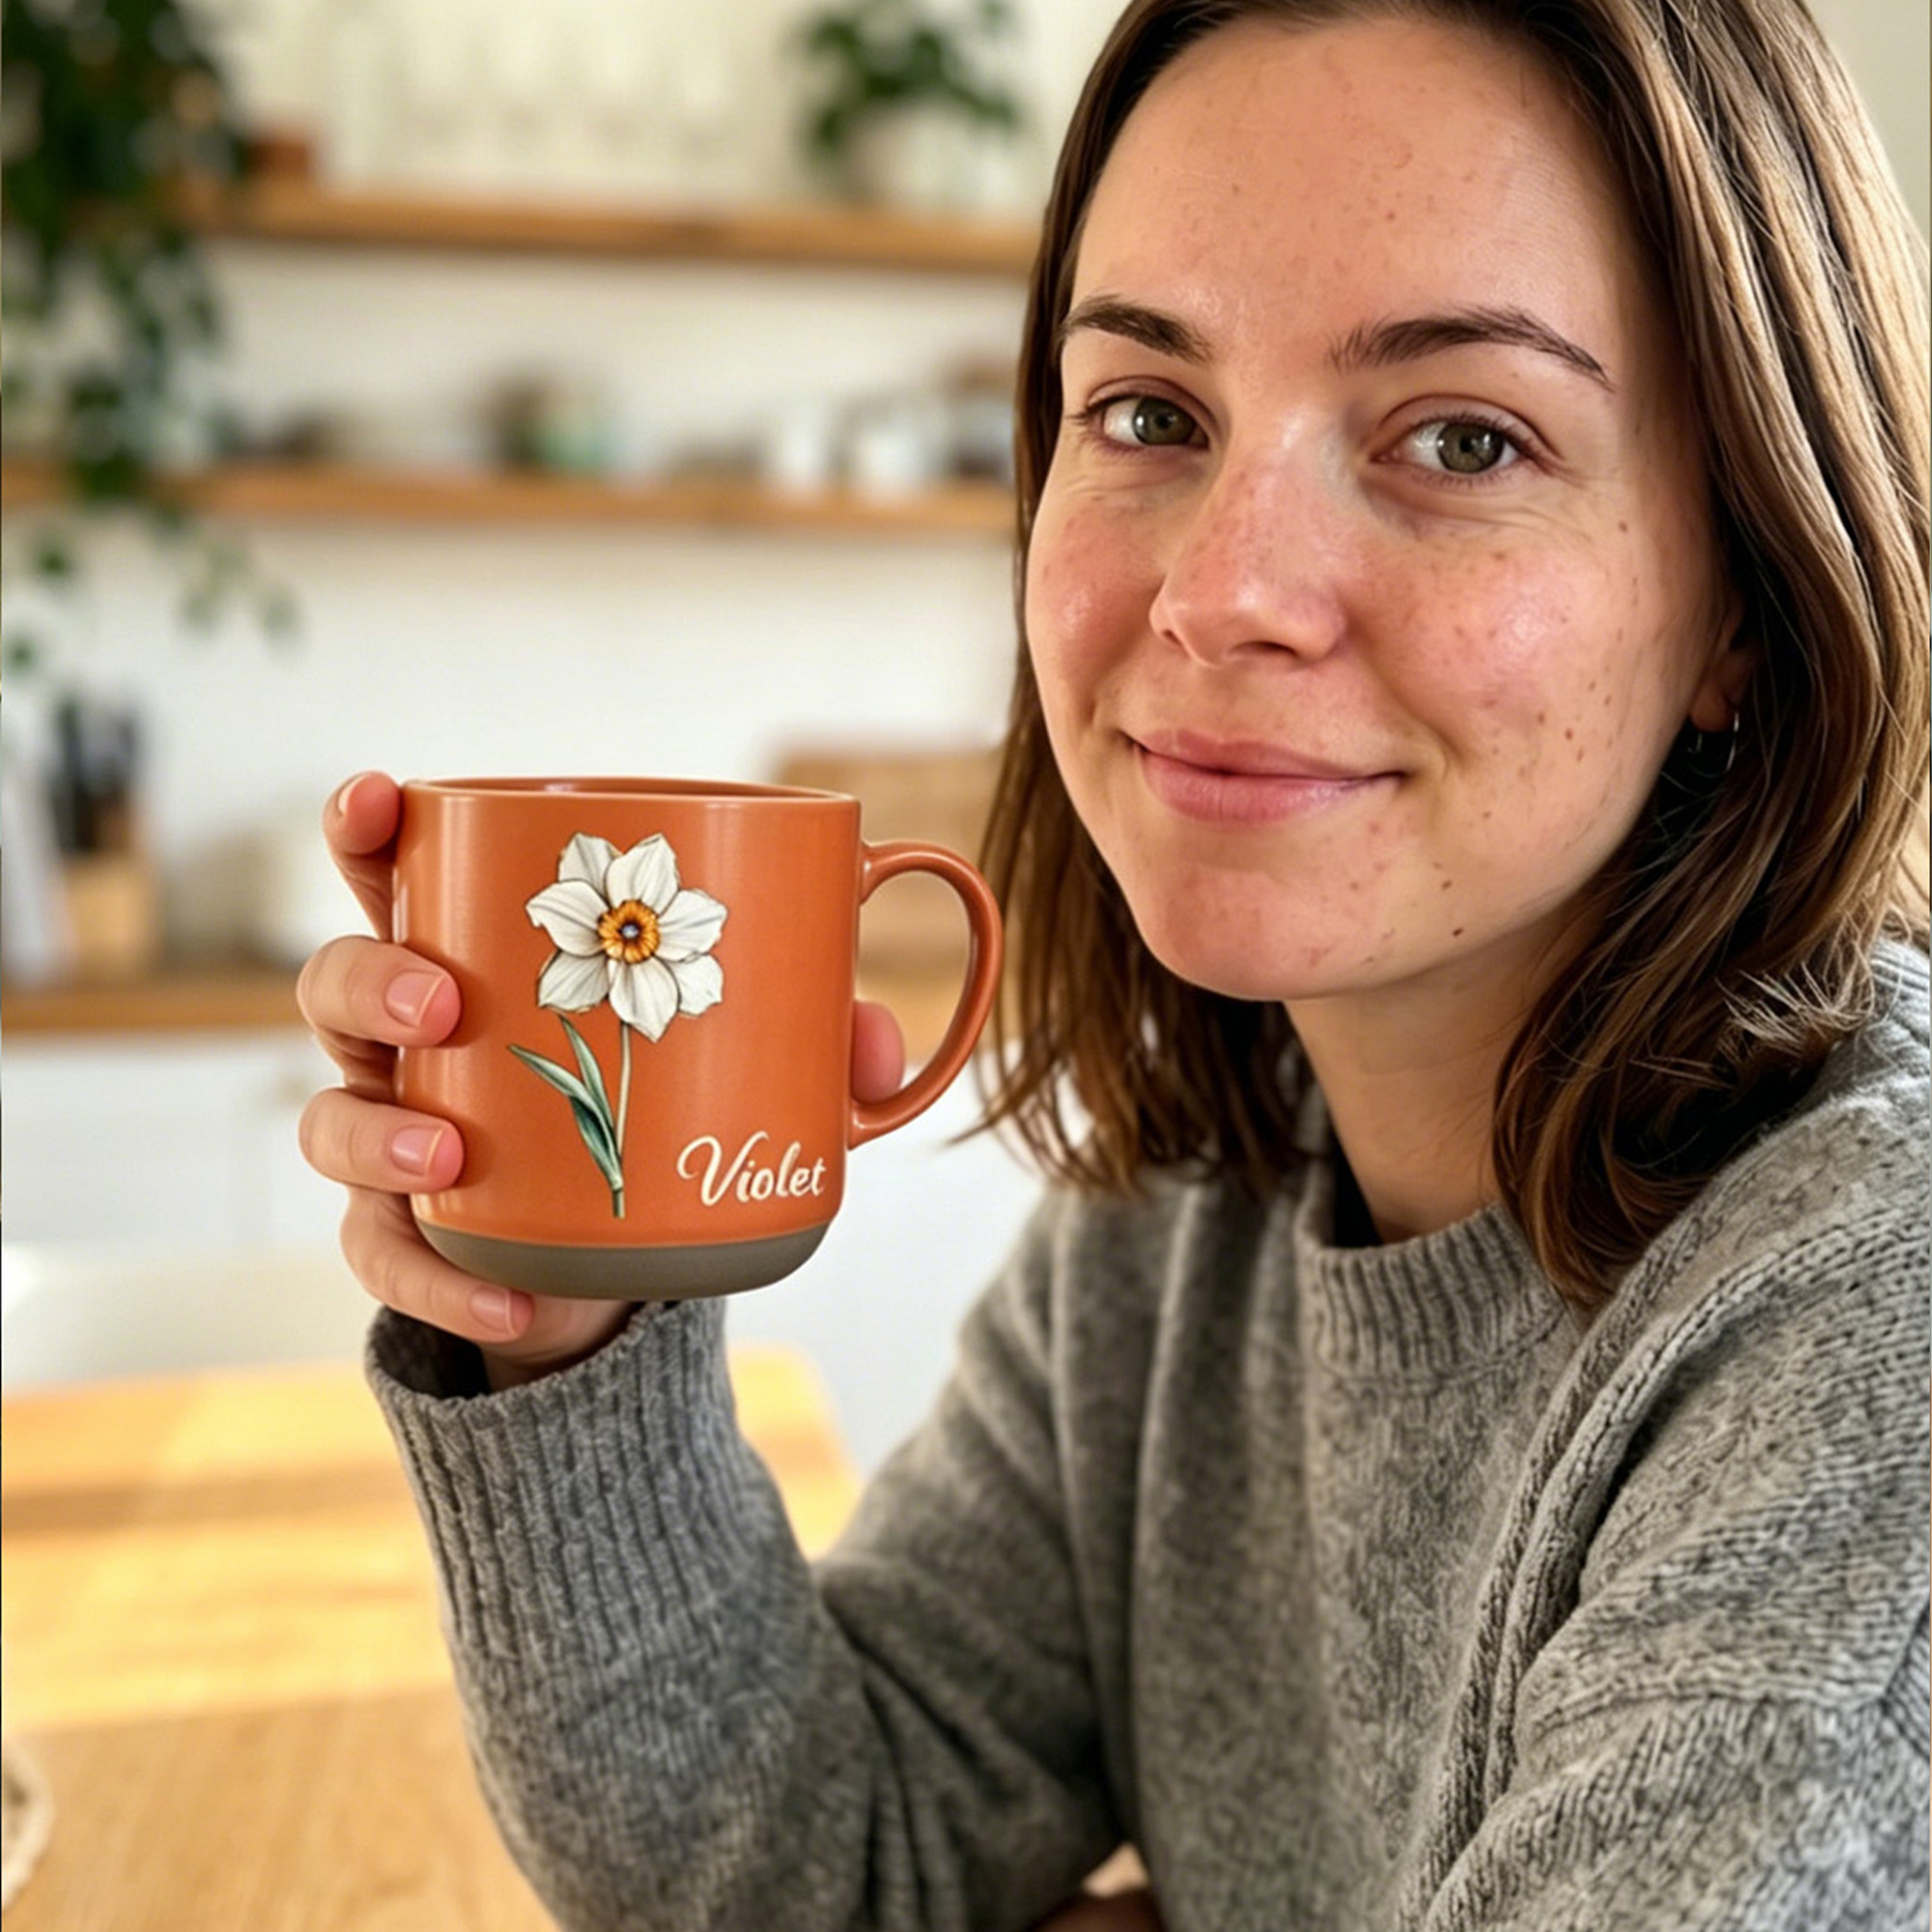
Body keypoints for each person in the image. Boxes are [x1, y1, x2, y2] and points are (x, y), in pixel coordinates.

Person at [297, 0, 1930, 1924]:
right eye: (1148, 413)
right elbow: (815, 1860)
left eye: (1462, 437)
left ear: (1747, 593)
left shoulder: (1872, 1320)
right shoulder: (1188, 1216)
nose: (1222, 590)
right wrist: (565, 1322)